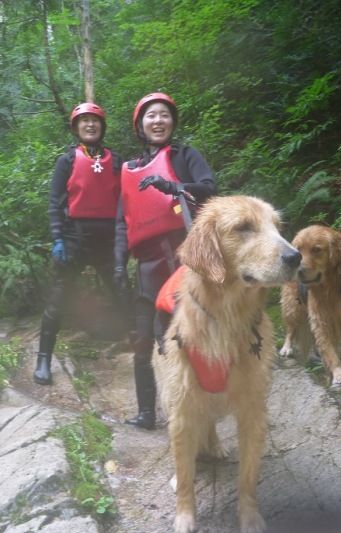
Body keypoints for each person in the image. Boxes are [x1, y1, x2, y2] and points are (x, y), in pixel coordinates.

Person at [115, 92, 217, 429]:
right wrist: (119, 263)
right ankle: (146, 412)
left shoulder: (185, 155)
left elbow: (208, 188)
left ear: (172, 123)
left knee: (186, 336)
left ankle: (198, 412)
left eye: (164, 115)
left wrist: (173, 186)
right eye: (151, 116)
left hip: (183, 257)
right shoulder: (129, 170)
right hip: (147, 266)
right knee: (143, 337)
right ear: (140, 126)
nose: (158, 121)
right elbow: (122, 221)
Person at [33, 102, 123, 385]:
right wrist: (57, 236)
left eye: (95, 121)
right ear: (76, 128)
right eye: (84, 121)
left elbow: (126, 201)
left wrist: (126, 237)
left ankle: (141, 349)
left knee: (123, 291)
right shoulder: (67, 161)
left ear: (102, 126)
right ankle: (43, 360)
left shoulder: (117, 161)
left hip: (108, 236)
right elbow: (54, 202)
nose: (90, 125)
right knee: (60, 296)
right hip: (75, 235)